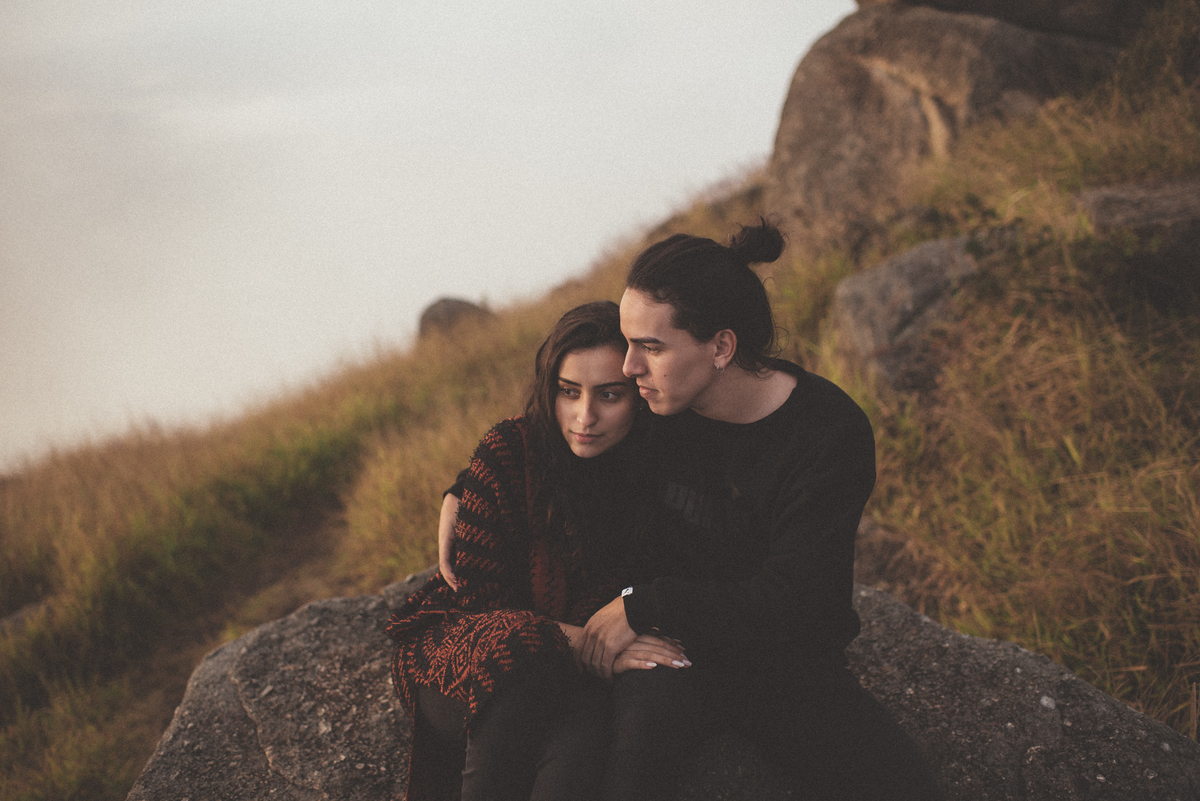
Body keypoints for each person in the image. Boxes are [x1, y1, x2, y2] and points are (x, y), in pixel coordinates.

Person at [575, 219, 944, 800]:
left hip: (784, 666)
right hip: (672, 654)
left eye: (651, 347)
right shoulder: (653, 403)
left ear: (721, 346)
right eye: (628, 343)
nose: (628, 367)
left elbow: (803, 603)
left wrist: (643, 604)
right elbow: (555, 434)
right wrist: (467, 485)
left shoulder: (826, 431)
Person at [386, 301, 687, 801]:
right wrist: (599, 645)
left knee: (579, 742)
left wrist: (605, 650)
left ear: (639, 393)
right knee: (519, 676)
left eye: (609, 395)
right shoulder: (510, 451)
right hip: (470, 658)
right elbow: (487, 611)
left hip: (574, 681)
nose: (584, 416)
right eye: (568, 392)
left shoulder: (655, 477)